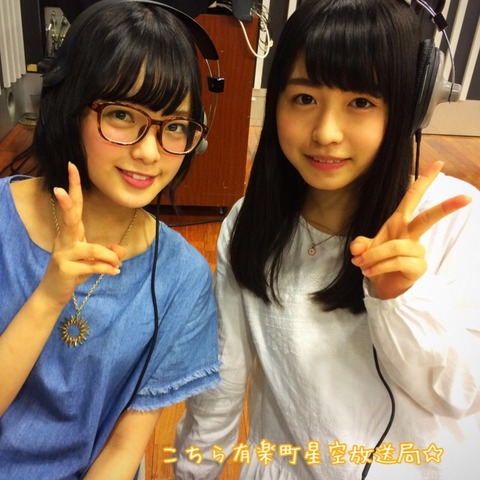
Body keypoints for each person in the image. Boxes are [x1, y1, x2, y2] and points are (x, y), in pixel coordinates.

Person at [174, 0, 480, 479]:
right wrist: (193, 473)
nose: (326, 132)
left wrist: (405, 299)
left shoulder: (451, 218)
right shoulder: (250, 223)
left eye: (361, 102)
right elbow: (223, 380)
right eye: (304, 98)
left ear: (408, 108)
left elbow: (461, 394)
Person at [0, 1, 221, 478]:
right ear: (69, 106)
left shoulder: (182, 279)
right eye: (122, 114)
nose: (149, 152)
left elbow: (124, 448)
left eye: (174, 126)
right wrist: (49, 297)